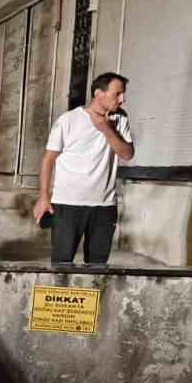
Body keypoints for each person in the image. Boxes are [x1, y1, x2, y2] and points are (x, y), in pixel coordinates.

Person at [32, 72, 134, 266]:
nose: (123, 99)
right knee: (61, 265)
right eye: (117, 94)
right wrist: (43, 198)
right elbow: (48, 159)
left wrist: (106, 128)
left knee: (97, 267)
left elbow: (127, 154)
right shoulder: (68, 120)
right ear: (98, 93)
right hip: (67, 204)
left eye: (123, 94)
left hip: (104, 206)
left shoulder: (120, 119)